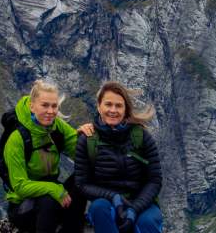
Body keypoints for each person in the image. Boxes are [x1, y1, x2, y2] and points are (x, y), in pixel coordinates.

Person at [70, 81, 164, 233]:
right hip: (107, 202)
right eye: (108, 104)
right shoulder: (87, 139)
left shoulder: (141, 136)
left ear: (126, 109)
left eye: (119, 106)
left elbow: (154, 180)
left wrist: (134, 209)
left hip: (141, 202)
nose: (113, 110)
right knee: (99, 209)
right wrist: (113, 197)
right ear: (99, 106)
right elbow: (82, 184)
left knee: (147, 222)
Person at [0, 79, 86, 233]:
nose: (51, 111)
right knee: (48, 199)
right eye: (44, 105)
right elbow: (20, 187)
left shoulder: (57, 126)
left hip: (54, 195)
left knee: (82, 178)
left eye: (54, 106)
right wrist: (53, 188)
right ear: (32, 106)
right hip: (23, 206)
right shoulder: (18, 138)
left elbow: (82, 154)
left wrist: (88, 135)